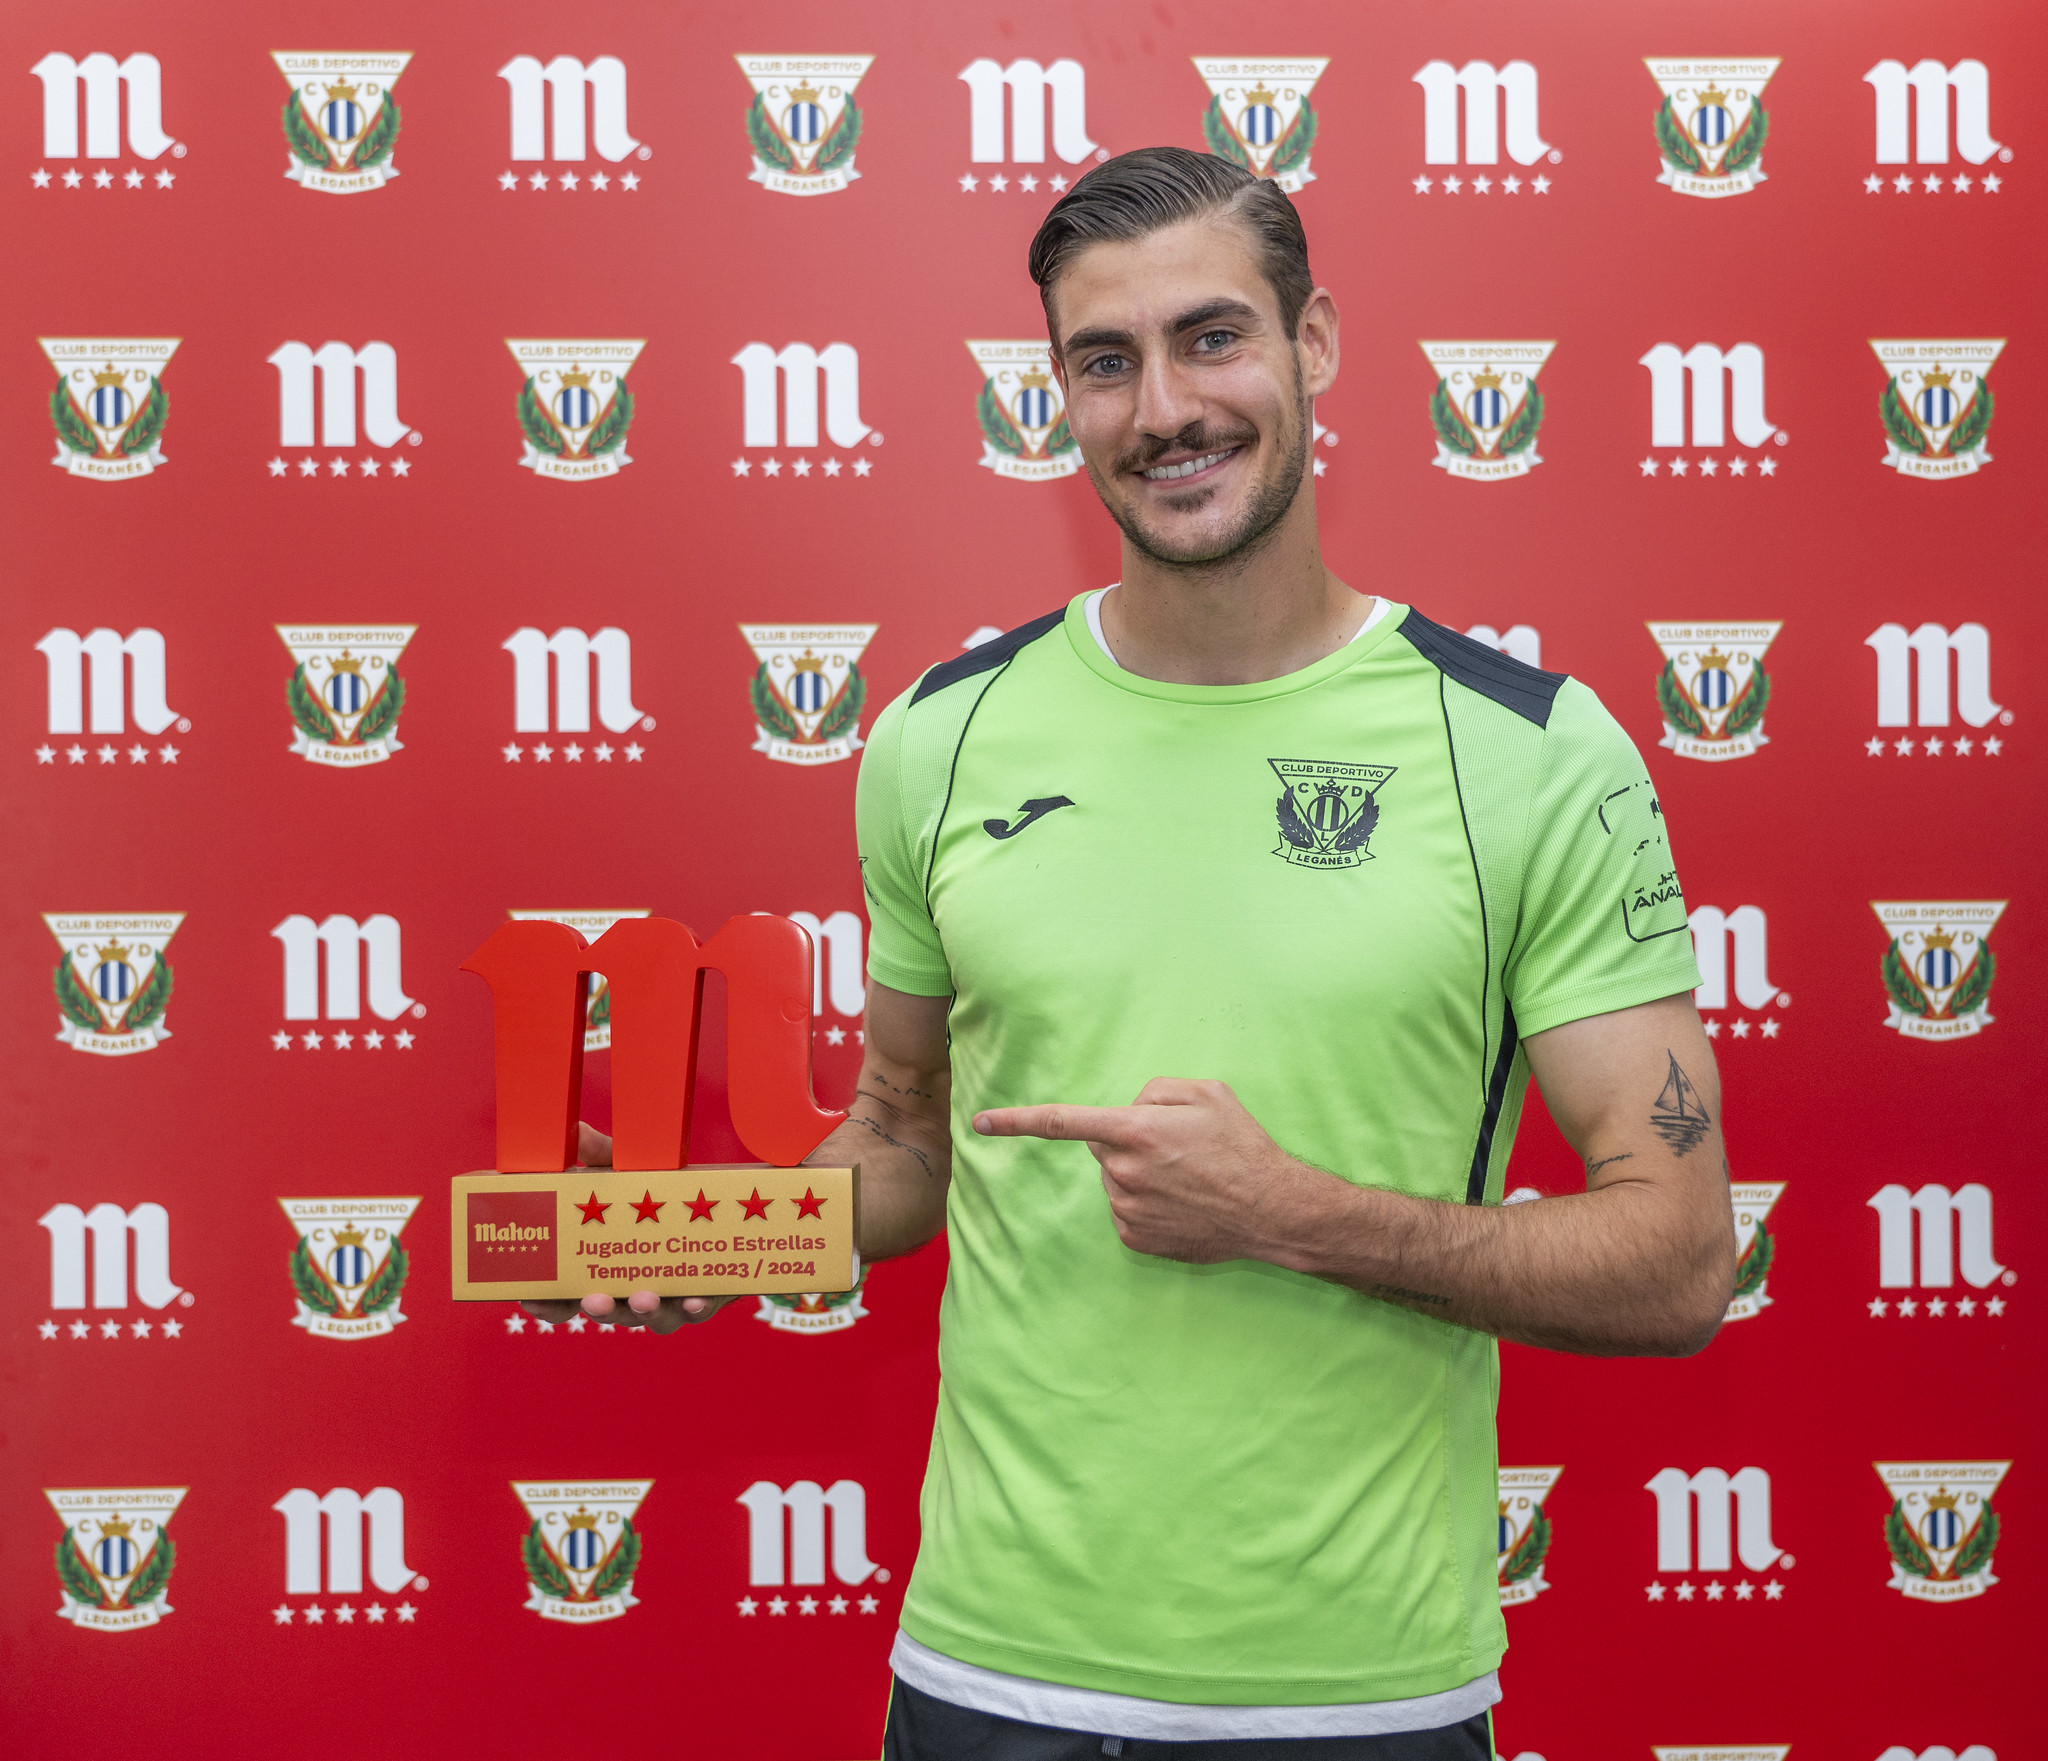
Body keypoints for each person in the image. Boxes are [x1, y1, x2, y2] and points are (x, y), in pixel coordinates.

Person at [529, 147, 1735, 1759]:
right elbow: (906, 1135)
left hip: (1362, 1698)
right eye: (1105, 362)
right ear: (1060, 397)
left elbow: (1678, 1258)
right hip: (989, 1680)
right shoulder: (938, 738)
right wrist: (727, 1236)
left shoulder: (1528, 754)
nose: (1164, 407)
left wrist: (1288, 1213)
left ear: (1314, 343)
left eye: (1211, 337)